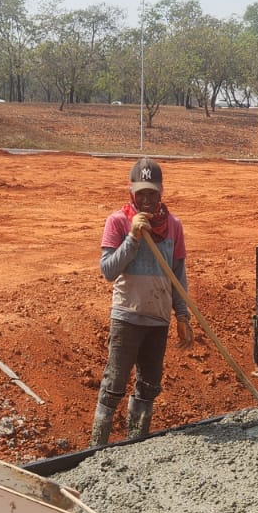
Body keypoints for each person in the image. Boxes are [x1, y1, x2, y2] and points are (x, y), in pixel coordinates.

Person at [91, 157, 194, 446]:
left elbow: (177, 275)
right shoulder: (118, 221)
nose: (147, 200)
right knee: (114, 385)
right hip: (127, 316)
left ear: (161, 193)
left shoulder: (173, 226)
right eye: (141, 194)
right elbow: (108, 271)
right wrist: (133, 236)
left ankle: (135, 445)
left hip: (157, 318)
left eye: (152, 193)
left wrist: (182, 317)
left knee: (149, 387)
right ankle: (97, 448)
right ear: (132, 193)